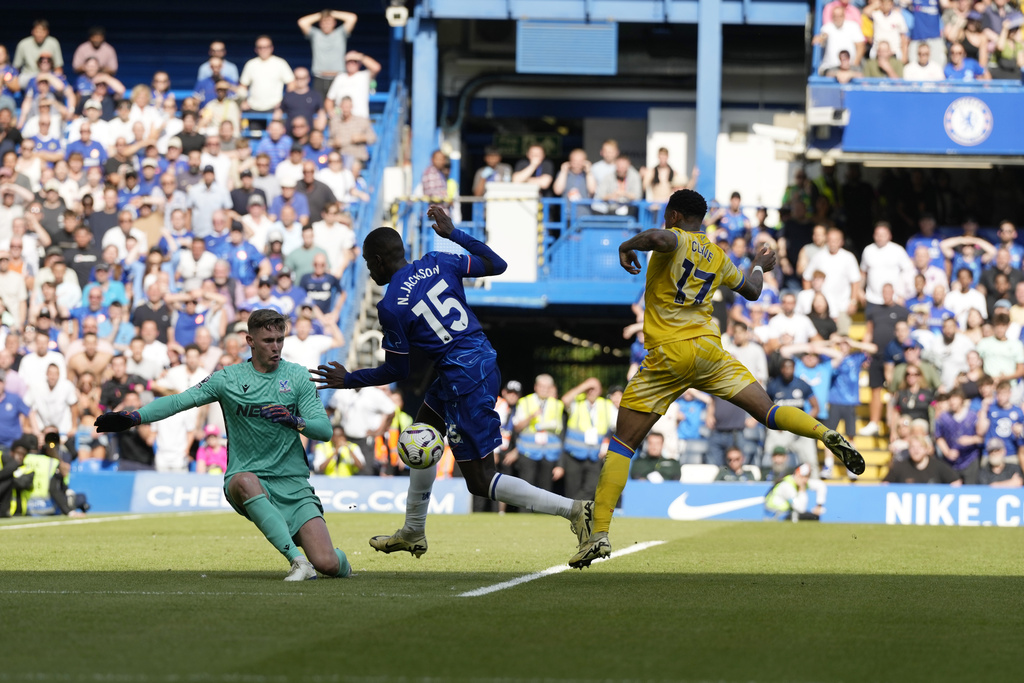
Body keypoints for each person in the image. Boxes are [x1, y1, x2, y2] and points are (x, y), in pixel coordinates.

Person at [570, 189, 864, 568]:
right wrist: (758, 262)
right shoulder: (719, 256)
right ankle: (825, 434)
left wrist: (627, 245)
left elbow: (659, 239)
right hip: (709, 353)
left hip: (668, 355)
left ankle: (599, 533)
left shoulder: (674, 238)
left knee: (623, 444)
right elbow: (753, 289)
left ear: (674, 215)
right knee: (770, 412)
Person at [310, 205, 593, 557]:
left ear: (380, 261)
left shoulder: (391, 307)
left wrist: (350, 378)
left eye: (369, 263)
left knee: (480, 480)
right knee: (420, 431)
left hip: (463, 381)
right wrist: (454, 234)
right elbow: (497, 265)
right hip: (475, 362)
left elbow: (396, 372)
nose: (369, 271)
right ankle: (413, 530)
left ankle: (575, 511)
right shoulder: (439, 260)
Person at [96, 309, 350, 581]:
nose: (275, 347)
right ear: (249, 341)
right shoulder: (227, 378)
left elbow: (323, 430)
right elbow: (180, 401)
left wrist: (293, 420)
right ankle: (298, 562)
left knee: (328, 564)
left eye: (279, 340)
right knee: (245, 481)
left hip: (292, 481)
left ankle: (340, 563)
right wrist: (135, 417)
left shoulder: (298, 377)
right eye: (267, 341)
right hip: (246, 475)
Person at [298, 9, 359, 99]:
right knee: (319, 108)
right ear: (320, 24)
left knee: (338, 108)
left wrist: (332, 13)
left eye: (329, 22)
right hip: (319, 77)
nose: (326, 24)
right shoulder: (316, 34)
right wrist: (322, 14)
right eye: (324, 22)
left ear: (334, 23)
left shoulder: (341, 33)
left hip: (338, 77)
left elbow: (352, 18)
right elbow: (302, 22)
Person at [238, 37, 294, 115]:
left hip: (275, 108)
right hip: (253, 108)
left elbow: (292, 84)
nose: (263, 50)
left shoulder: (280, 63)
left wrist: (283, 103)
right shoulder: (250, 64)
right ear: (256, 49)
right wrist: (243, 101)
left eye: (266, 47)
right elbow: (243, 86)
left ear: (271, 48)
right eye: (260, 47)